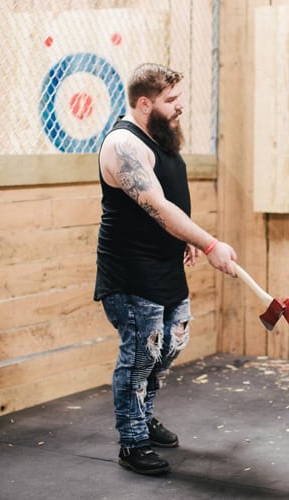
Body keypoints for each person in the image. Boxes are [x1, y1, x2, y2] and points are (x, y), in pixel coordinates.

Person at [94, 62, 237, 476]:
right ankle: (132, 439)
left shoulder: (159, 135)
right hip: (131, 270)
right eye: (170, 100)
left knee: (170, 342)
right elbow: (156, 206)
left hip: (164, 262)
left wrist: (187, 240)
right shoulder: (123, 145)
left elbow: (171, 192)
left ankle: (144, 414)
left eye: (179, 98)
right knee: (139, 355)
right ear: (144, 103)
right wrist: (207, 242)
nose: (179, 107)